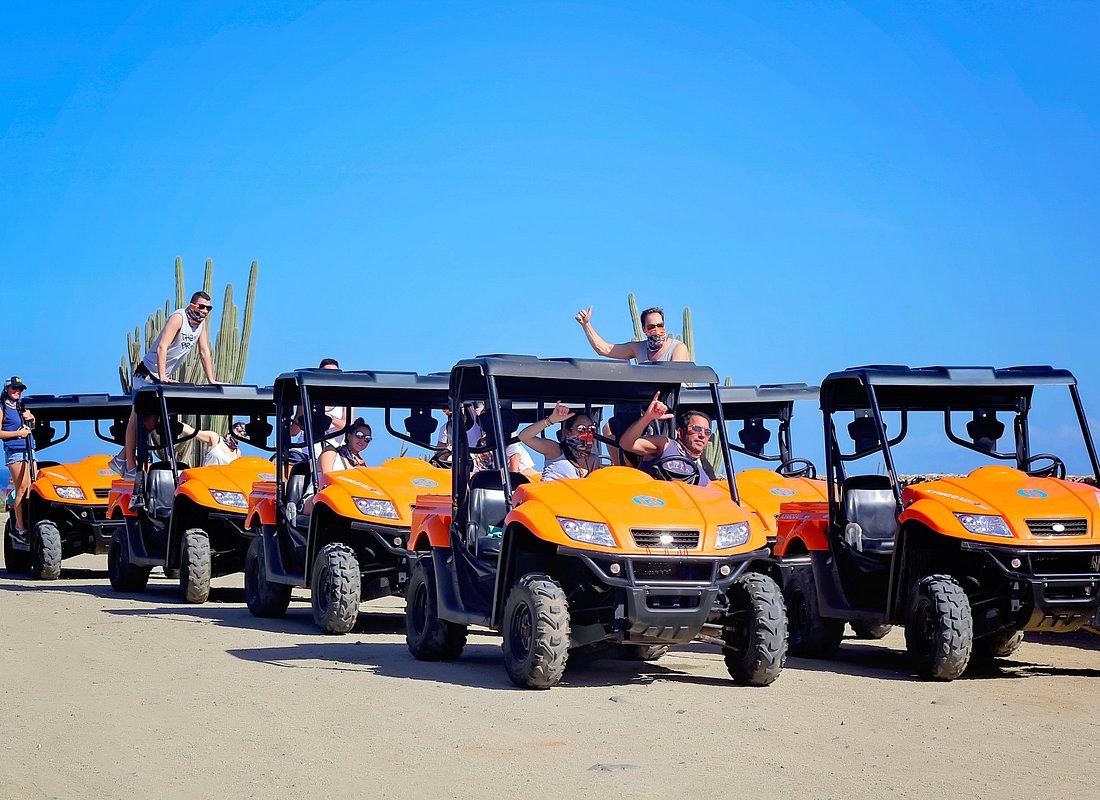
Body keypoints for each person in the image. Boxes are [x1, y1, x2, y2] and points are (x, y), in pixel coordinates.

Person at [123, 291, 219, 474]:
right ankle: (128, 463)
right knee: (136, 416)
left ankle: (120, 458)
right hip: (147, 374)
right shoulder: (178, 318)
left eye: (208, 308)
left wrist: (211, 379)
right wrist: (162, 377)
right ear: (192, 305)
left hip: (161, 377)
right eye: (201, 306)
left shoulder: (200, 324)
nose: (204, 311)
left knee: (150, 423)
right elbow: (162, 346)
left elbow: (204, 351)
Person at [619, 392, 713, 486]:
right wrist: (648, 417)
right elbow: (626, 444)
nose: (702, 435)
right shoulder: (665, 445)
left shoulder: (704, 477)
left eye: (707, 432)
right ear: (680, 432)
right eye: (696, 429)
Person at [517, 401, 601, 481]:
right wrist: (550, 420)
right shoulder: (555, 451)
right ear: (567, 433)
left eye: (591, 429)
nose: (586, 433)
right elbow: (524, 437)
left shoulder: (594, 460)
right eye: (581, 428)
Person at [575, 305, 690, 363]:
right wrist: (586, 324)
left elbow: (676, 379)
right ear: (644, 329)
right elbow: (604, 349)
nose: (656, 330)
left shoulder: (677, 348)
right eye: (651, 327)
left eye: (660, 325)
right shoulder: (638, 348)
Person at [1, 377, 35, 541]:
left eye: (20, 389)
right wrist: (17, 434)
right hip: (15, 452)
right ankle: (20, 527)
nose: (18, 391)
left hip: (29, 450)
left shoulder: (21, 407)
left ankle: (29, 522)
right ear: (7, 389)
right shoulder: (2, 408)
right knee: (21, 488)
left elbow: (30, 428)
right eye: (14, 388)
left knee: (31, 487)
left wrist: (32, 419)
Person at [290, 358, 347, 444]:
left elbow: (347, 426)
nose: (330, 377)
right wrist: (307, 416)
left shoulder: (346, 397)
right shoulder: (307, 396)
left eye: (334, 373)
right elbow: (293, 432)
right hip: (306, 449)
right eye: (327, 373)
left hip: (333, 450)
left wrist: (327, 417)